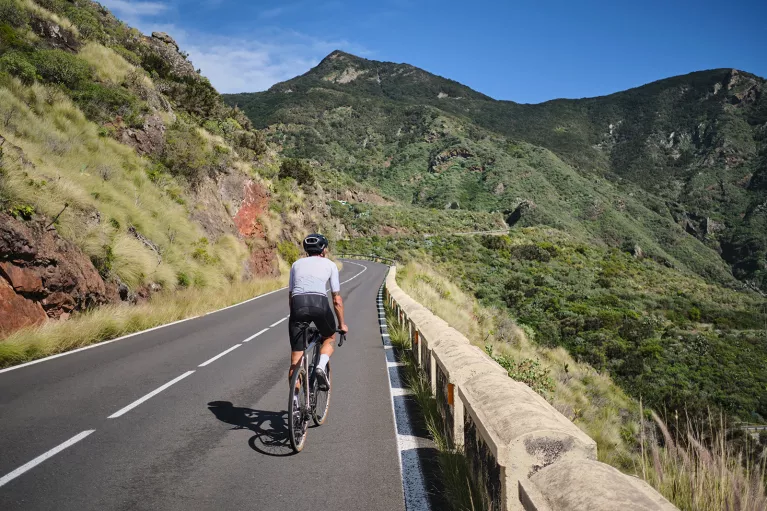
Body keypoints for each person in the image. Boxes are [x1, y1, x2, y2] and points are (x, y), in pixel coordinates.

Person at [288, 234, 348, 390]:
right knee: (329, 337)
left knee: (295, 361)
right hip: (319, 303)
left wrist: (295, 316)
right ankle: (321, 366)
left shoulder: (296, 264)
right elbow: (336, 299)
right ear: (323, 249)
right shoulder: (330, 265)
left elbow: (291, 296)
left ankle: (294, 404)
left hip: (298, 305)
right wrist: (342, 324)